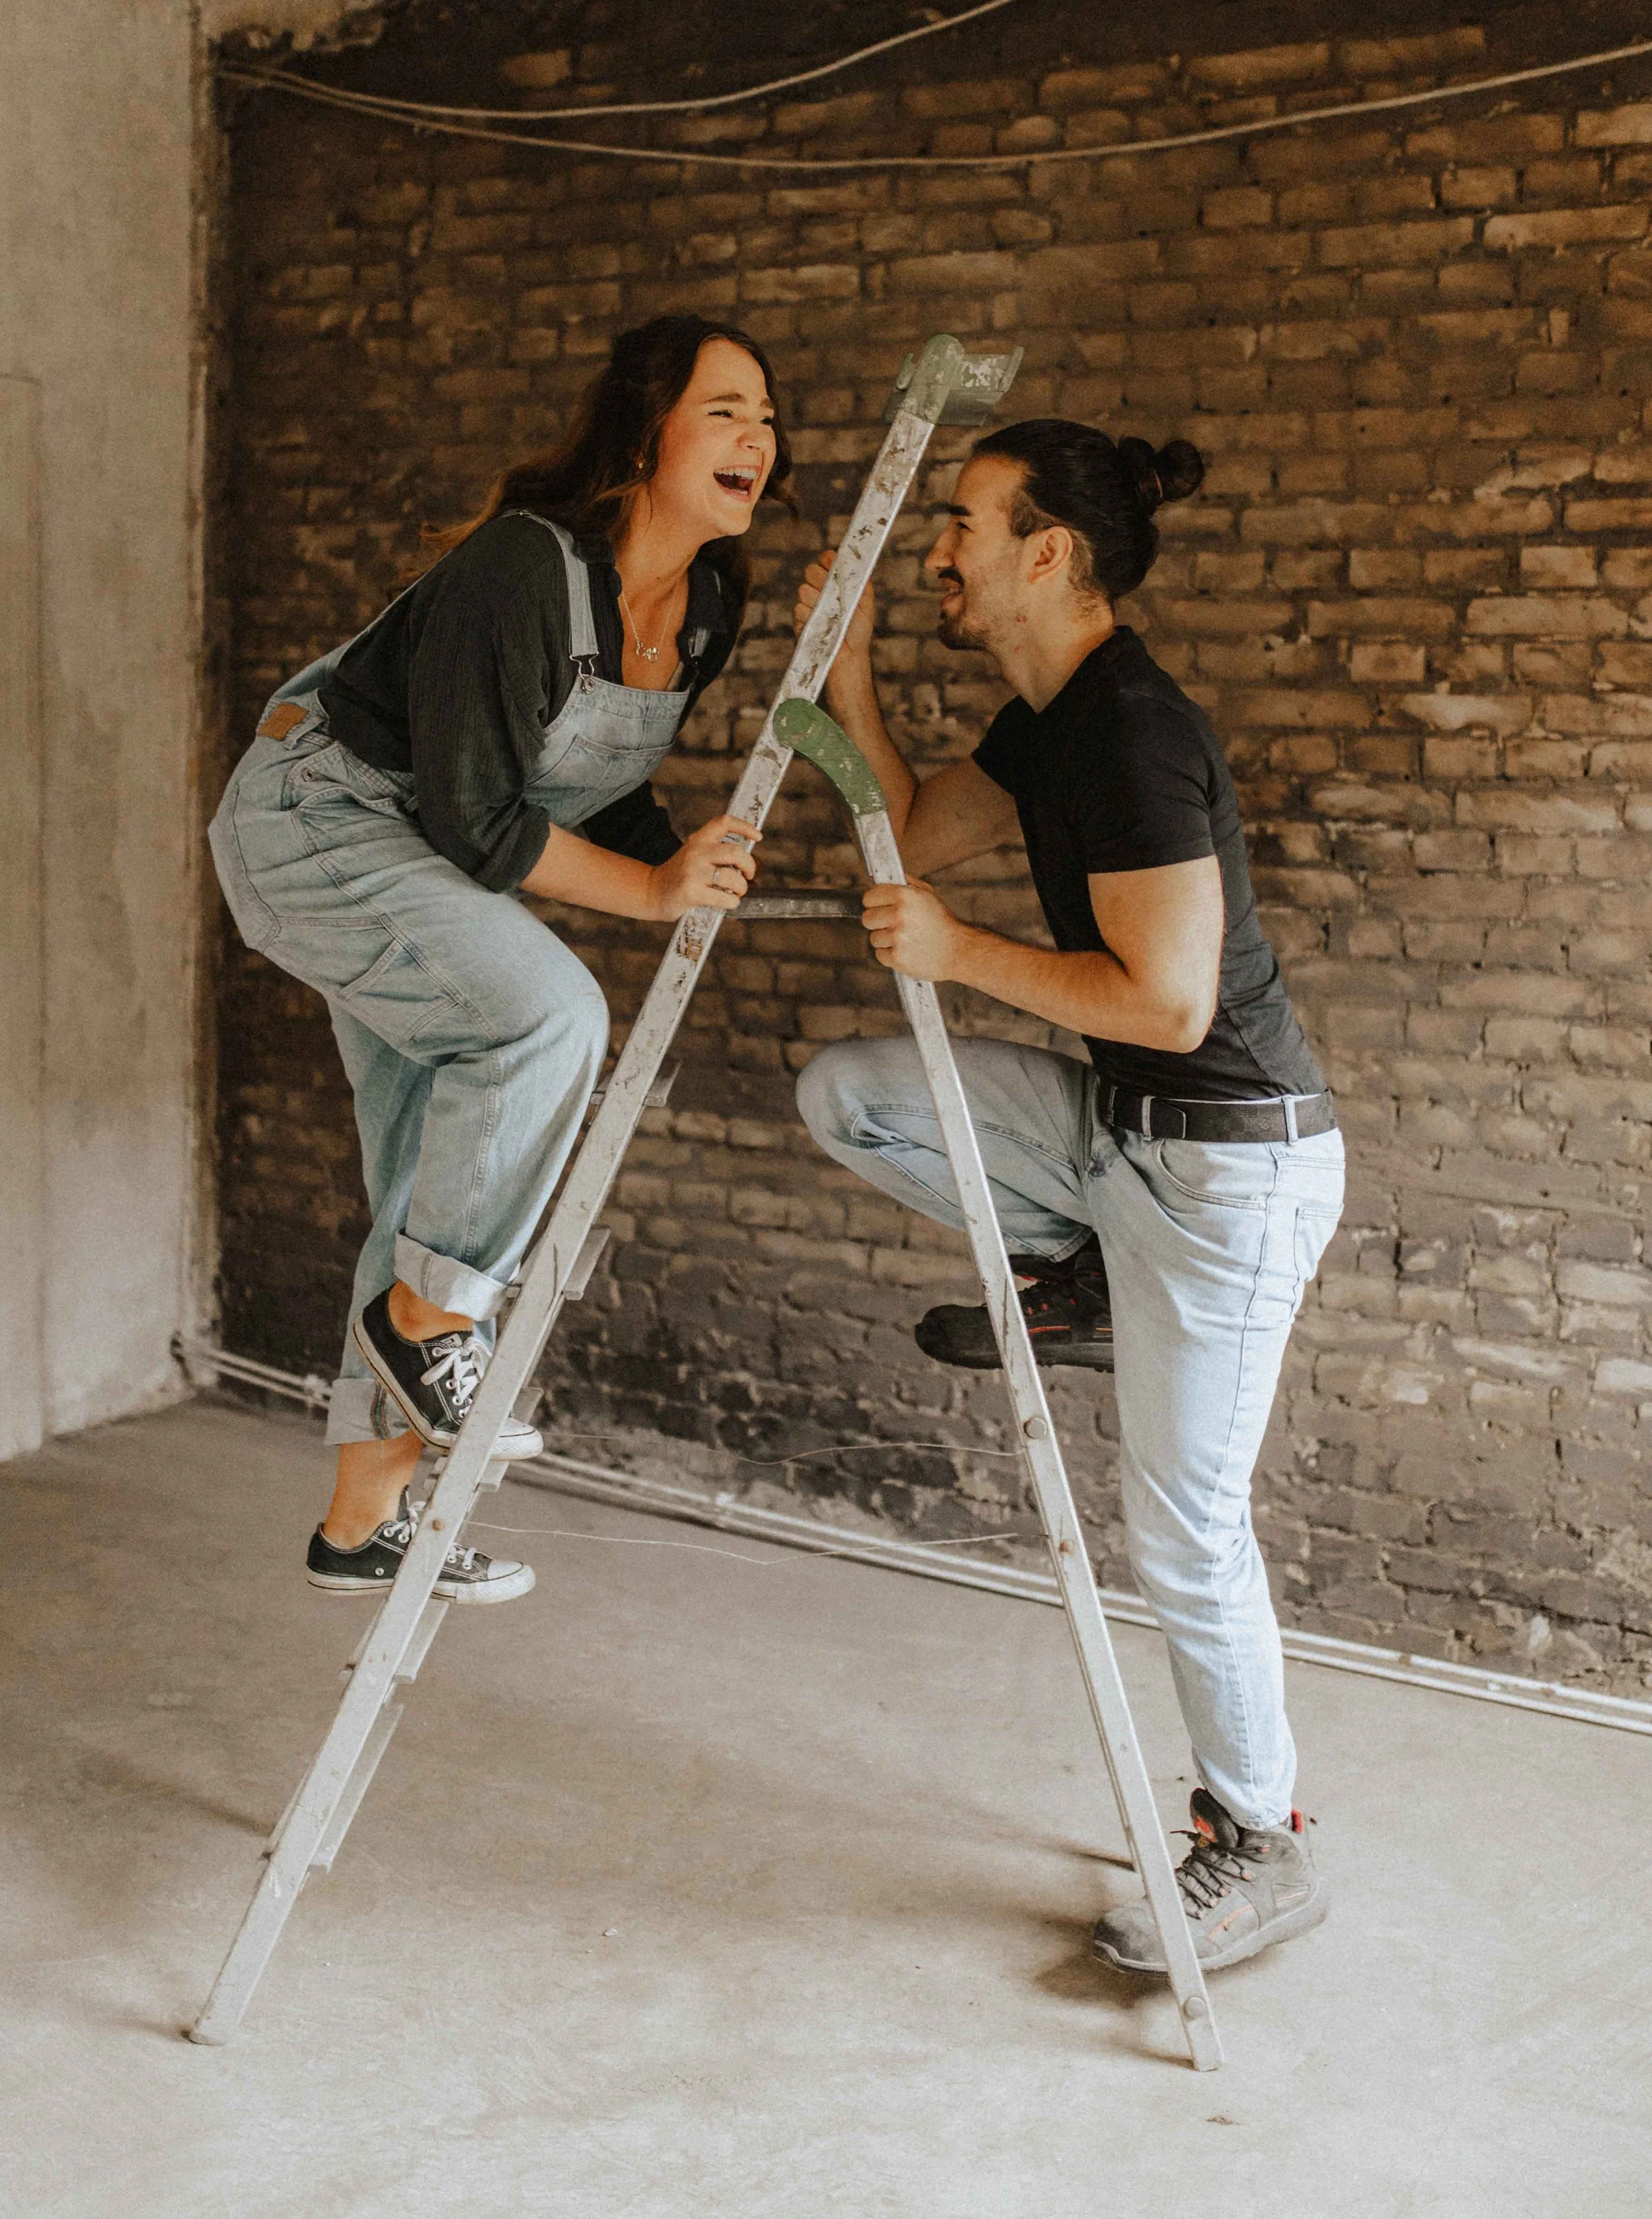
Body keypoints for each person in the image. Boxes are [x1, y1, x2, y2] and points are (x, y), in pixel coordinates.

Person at [792, 417, 1343, 1976]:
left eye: (961, 525)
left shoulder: (1130, 731)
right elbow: (912, 828)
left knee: (1181, 1530)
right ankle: (1083, 1270)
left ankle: (1257, 1839)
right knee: (855, 1094)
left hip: (1228, 1170)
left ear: (1049, 553)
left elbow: (1169, 1004)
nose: (939, 553)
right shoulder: (1047, 721)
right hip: (1123, 1139)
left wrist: (954, 953)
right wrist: (845, 674)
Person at [211, 315, 782, 1604]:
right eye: (725, 408)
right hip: (317, 817)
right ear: (646, 432)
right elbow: (477, 820)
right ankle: (432, 1329)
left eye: (765, 417)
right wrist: (646, 889)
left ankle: (360, 1522)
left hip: (411, 844)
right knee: (547, 1019)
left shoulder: (707, 604)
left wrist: (679, 857)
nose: (757, 436)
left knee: (428, 1178)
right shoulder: (526, 569)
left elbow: (578, 781)